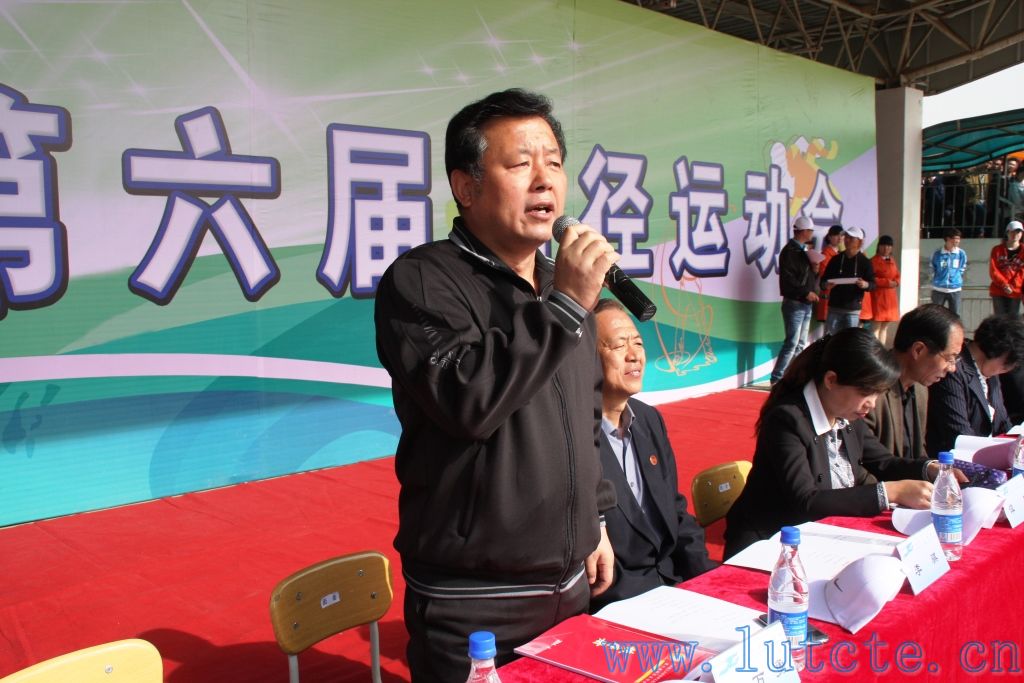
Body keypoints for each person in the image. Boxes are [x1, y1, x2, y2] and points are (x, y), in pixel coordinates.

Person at [374, 89, 618, 680]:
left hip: (570, 584)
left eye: (554, 162)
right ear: (466, 186)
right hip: (473, 601)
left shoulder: (562, 287)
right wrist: (566, 306)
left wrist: (597, 520)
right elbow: (468, 400)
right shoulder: (422, 281)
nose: (545, 180)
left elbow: (587, 415)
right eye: (520, 164)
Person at [724, 328, 938, 559]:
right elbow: (806, 500)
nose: (872, 404)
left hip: (821, 536)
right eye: (866, 392)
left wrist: (932, 469)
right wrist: (890, 492)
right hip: (769, 544)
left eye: (878, 394)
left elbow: (883, 462)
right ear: (831, 380)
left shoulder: (846, 415)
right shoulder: (787, 419)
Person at [589, 299, 715, 611]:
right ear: (586, 358)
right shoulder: (573, 435)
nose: (634, 355)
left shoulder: (648, 419)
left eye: (638, 343)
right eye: (619, 345)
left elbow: (675, 510)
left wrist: (710, 582)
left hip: (672, 587)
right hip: (619, 603)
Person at [863, 305, 964, 460]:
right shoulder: (870, 392)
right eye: (949, 358)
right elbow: (869, 463)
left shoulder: (920, 389)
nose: (952, 368)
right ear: (918, 350)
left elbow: (918, 455)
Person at [926, 314, 1024, 457]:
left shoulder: (990, 372)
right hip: (954, 460)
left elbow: (1003, 423)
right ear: (1000, 352)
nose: (1009, 369)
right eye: (1009, 364)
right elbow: (959, 435)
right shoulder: (954, 370)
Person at [769, 216, 818, 385]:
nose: (811, 234)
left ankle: (792, 377)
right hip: (795, 302)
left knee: (800, 344)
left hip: (805, 302)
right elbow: (789, 279)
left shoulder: (804, 251)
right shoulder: (790, 251)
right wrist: (805, 292)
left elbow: (804, 277)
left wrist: (814, 270)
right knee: (792, 342)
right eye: (810, 231)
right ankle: (777, 379)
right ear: (804, 231)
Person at [820, 226, 874, 333]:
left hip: (853, 310)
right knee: (831, 339)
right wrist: (826, 285)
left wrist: (865, 284)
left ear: (859, 241)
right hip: (834, 308)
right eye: (846, 237)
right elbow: (823, 281)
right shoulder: (835, 259)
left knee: (849, 340)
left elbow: (873, 284)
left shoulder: (865, 262)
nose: (847, 240)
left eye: (851, 238)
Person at [988, 220, 1024, 318]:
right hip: (998, 290)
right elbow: (993, 270)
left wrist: (1012, 286)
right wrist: (1004, 284)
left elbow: (1022, 272)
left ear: (1021, 234)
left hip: (1015, 291)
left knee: (1012, 320)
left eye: (1018, 232)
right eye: (1012, 231)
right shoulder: (997, 250)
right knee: (999, 319)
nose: (1015, 234)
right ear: (1007, 233)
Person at [869, 235, 900, 346]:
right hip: (879, 296)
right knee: (876, 326)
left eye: (889, 246)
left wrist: (897, 282)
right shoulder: (873, 261)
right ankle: (875, 350)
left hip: (890, 298)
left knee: (884, 327)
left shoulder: (892, 260)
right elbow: (872, 278)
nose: (886, 248)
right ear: (879, 246)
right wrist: (887, 283)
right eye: (883, 245)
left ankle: (882, 349)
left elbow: (897, 275)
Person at [930, 228, 967, 315]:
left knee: (955, 315)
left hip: (955, 289)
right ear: (948, 239)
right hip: (939, 289)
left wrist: (956, 279)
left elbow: (962, 268)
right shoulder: (937, 253)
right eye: (955, 238)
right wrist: (937, 279)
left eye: (959, 238)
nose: (957, 241)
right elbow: (932, 268)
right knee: (936, 314)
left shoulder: (961, 253)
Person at [814, 224, 844, 323]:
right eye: (836, 235)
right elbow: (824, 273)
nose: (840, 238)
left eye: (842, 235)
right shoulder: (825, 253)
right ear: (830, 237)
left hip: (839, 294)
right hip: (829, 292)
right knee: (829, 324)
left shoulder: (841, 253)